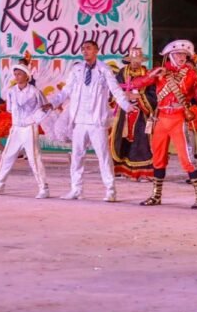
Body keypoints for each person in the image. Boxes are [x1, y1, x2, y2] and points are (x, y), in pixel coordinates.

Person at [43, 40, 136, 202]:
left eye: (88, 48)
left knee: (103, 156)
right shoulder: (77, 70)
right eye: (83, 49)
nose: (85, 51)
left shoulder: (104, 70)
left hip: (96, 120)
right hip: (79, 120)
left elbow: (115, 91)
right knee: (77, 156)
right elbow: (66, 91)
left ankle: (110, 190)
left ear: (96, 50)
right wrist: (53, 103)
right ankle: (76, 189)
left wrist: (127, 106)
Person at [129, 39, 197, 208]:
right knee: (158, 158)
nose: (181, 57)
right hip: (161, 119)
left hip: (178, 119)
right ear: (169, 55)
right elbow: (135, 84)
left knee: (187, 159)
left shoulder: (191, 74)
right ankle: (156, 195)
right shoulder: (160, 71)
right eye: (177, 54)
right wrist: (152, 75)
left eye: (184, 54)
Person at [0, 61, 49, 199]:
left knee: (34, 158)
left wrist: (33, 119)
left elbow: (45, 108)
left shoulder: (34, 92)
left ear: (27, 76)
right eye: (15, 74)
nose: (17, 76)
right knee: (7, 156)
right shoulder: (11, 91)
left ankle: (43, 187)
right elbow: (10, 108)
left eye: (20, 74)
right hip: (16, 128)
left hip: (29, 128)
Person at [110, 47, 156, 181]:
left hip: (141, 113)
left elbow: (153, 94)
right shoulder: (122, 73)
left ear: (141, 60)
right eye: (132, 59)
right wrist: (123, 95)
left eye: (138, 59)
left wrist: (138, 97)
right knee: (121, 140)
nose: (135, 62)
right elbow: (114, 88)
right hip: (123, 112)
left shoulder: (148, 74)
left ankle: (142, 172)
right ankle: (121, 170)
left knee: (141, 141)